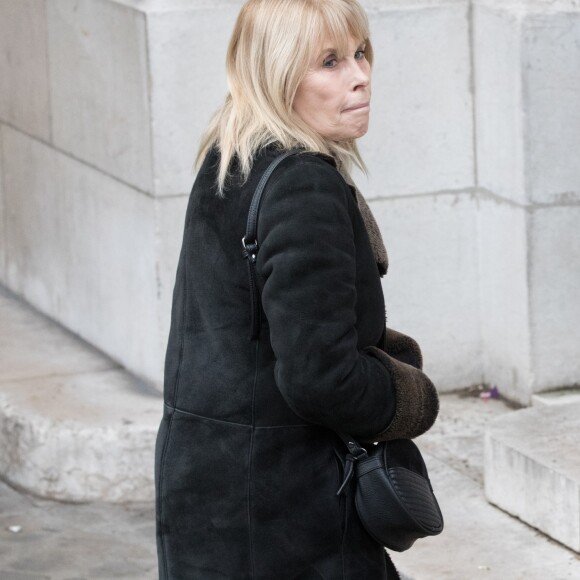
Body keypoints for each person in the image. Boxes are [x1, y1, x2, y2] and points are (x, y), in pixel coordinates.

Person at [155, 0, 439, 578]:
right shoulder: (302, 188)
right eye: (329, 62)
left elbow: (253, 328)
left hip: (210, 492)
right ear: (277, 76)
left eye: (360, 53)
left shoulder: (230, 157)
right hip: (291, 512)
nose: (360, 76)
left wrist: (374, 347)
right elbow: (321, 377)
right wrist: (407, 393)